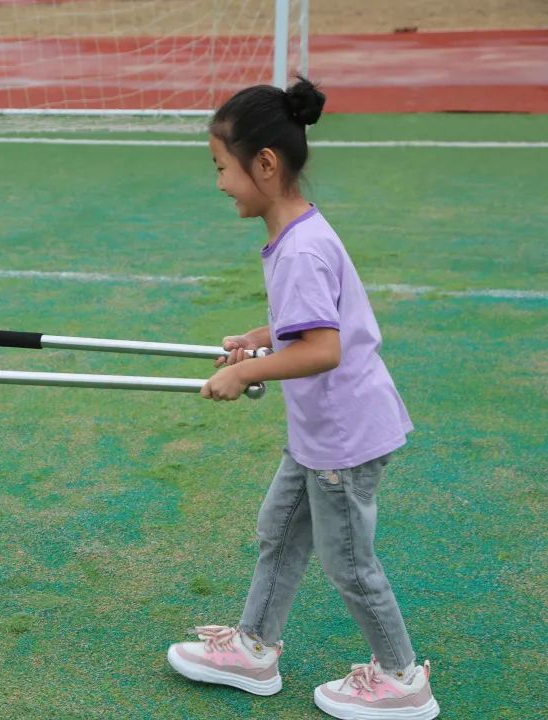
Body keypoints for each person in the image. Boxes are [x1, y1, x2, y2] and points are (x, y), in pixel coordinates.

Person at [165, 78, 439, 719]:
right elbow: (311, 325)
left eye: (222, 168)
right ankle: (255, 648)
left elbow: (322, 348)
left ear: (265, 163)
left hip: (343, 439)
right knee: (280, 533)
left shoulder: (301, 250)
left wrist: (242, 374)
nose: (220, 183)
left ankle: (403, 680)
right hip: (323, 434)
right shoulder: (300, 233)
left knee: (348, 562)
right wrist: (264, 338)